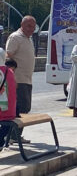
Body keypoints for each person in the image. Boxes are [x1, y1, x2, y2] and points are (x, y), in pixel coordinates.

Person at [6, 15, 36, 143]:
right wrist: (12, 79)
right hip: (18, 80)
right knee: (20, 108)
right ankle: (12, 136)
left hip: (27, 79)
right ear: (22, 24)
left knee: (24, 108)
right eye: (29, 26)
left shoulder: (29, 39)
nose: (31, 29)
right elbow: (8, 57)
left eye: (33, 27)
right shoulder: (15, 37)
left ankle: (15, 135)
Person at [0, 48, 17, 151]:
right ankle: (1, 141)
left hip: (2, 109)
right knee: (7, 123)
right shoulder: (9, 71)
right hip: (10, 110)